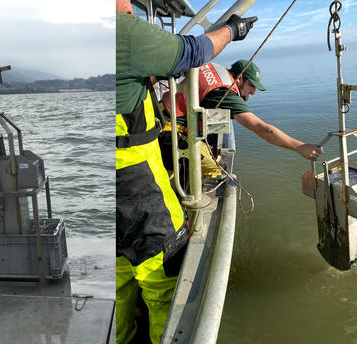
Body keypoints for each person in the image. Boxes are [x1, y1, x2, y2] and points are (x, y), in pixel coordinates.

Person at [114, 0, 257, 342]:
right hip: (135, 183)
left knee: (118, 277)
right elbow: (196, 50)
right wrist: (233, 30)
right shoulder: (121, 31)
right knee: (165, 275)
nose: (131, 10)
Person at [159, 59, 323, 179]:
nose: (253, 92)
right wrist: (299, 147)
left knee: (209, 158)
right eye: (251, 85)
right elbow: (261, 128)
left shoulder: (216, 71)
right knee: (216, 170)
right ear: (240, 79)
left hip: (161, 113)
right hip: (168, 131)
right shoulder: (225, 92)